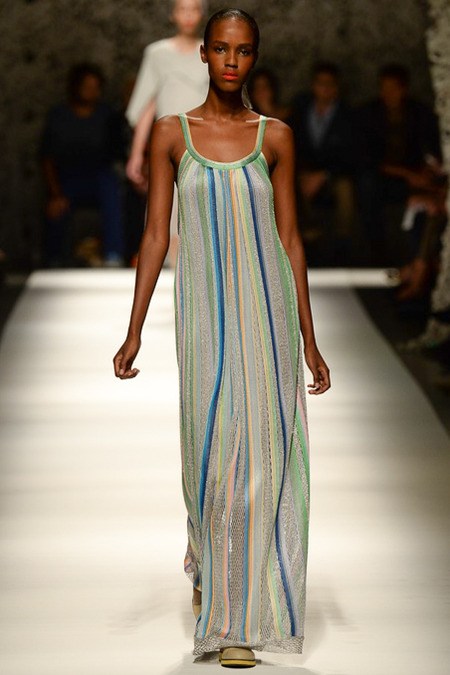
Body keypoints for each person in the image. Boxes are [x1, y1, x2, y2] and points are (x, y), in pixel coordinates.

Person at [113, 8, 330, 667]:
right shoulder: (171, 134)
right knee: (209, 458)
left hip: (267, 315)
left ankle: (236, 623)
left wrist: (309, 339)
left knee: (262, 459)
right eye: (223, 49)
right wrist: (134, 330)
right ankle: (208, 555)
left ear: (254, 57)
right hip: (204, 317)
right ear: (203, 54)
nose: (233, 61)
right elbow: (156, 235)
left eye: (245, 51)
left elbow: (290, 239)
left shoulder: (277, 137)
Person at [125, 0, 209, 267]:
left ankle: (197, 269)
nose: (188, 15)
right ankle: (174, 271)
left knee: (202, 204)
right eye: (182, 9)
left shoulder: (210, 51)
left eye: (194, 9)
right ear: (173, 15)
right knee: (167, 204)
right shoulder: (157, 54)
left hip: (206, 141)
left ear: (201, 14)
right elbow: (147, 106)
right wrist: (136, 154)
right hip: (169, 141)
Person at [41, 63, 125, 267]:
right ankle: (54, 258)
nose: (91, 92)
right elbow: (47, 157)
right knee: (56, 206)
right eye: (87, 87)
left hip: (100, 175)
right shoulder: (59, 116)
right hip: (68, 177)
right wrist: (55, 193)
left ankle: (114, 254)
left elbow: (119, 151)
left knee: (112, 190)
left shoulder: (107, 115)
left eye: (95, 87)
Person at [356, 63, 442, 266]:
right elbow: (366, 158)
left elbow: (432, 149)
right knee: (368, 186)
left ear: (404, 89)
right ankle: (377, 253)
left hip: (416, 177)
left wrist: (428, 169)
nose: (387, 94)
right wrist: (407, 175)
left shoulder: (419, 114)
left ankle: (420, 263)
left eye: (392, 88)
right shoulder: (369, 114)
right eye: (383, 88)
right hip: (383, 179)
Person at [288, 62, 356, 265]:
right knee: (289, 183)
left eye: (330, 84)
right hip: (304, 173)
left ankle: (342, 246)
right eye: (320, 83)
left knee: (345, 189)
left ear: (337, 87)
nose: (325, 88)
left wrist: (325, 174)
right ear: (313, 85)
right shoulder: (301, 110)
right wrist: (304, 173)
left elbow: (353, 155)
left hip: (334, 175)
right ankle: (307, 239)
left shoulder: (347, 116)